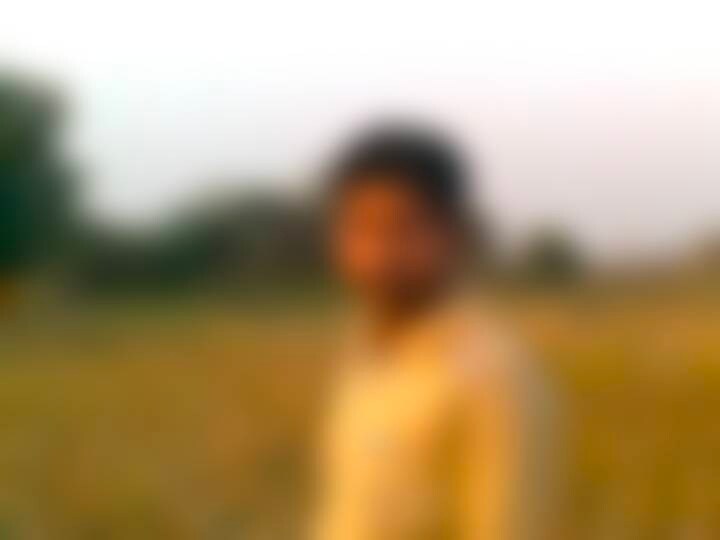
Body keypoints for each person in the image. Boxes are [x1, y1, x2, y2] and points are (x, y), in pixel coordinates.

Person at [311, 123, 563, 540]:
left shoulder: (496, 376)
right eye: (360, 228)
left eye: (403, 228)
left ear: (453, 234)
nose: (378, 256)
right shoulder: (365, 352)